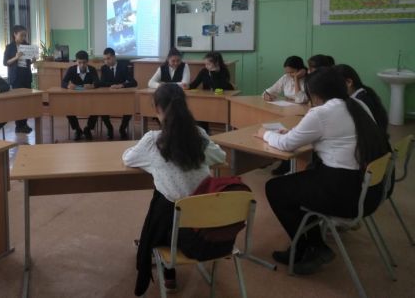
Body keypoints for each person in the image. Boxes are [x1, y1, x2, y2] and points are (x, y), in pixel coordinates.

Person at [258, 68, 389, 275]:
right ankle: (307, 246)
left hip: (345, 194)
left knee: (276, 189)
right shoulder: (358, 104)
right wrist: (296, 133)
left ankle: (310, 247)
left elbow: (285, 144)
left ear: (315, 94)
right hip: (370, 189)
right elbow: (333, 135)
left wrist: (265, 134)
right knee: (298, 186)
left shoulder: (321, 113)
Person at [122, 83, 226, 295]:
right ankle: (167, 267)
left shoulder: (153, 141)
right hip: (205, 225)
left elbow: (128, 158)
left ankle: (167, 268)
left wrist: (153, 166)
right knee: (172, 196)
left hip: (171, 224)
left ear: (157, 108)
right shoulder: (199, 136)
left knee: (162, 197)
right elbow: (221, 157)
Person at [334, 64, 389, 136]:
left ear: (349, 82)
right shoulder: (365, 92)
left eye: (335, 86)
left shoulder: (360, 100)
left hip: (372, 138)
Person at [99, 47, 137, 140]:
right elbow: (102, 83)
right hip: (108, 97)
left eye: (108, 58)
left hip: (122, 97)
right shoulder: (104, 68)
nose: (106, 61)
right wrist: (113, 85)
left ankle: (122, 129)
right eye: (104, 59)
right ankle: (109, 129)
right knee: (100, 108)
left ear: (114, 57)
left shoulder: (124, 67)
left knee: (129, 108)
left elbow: (134, 83)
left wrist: (121, 85)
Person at [61, 50, 100, 141]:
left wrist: (93, 86)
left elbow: (98, 82)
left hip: (90, 99)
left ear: (87, 62)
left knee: (97, 109)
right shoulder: (71, 69)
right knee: (67, 110)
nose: (82, 65)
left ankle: (88, 129)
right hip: (74, 99)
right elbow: (63, 82)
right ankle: (77, 129)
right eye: (79, 62)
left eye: (84, 62)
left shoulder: (92, 69)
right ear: (76, 62)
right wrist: (68, 86)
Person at [3, 25, 34, 134]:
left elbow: (29, 62)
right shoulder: (10, 47)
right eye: (21, 35)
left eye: (25, 35)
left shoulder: (27, 46)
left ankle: (24, 124)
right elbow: (5, 62)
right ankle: (19, 126)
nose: (23, 37)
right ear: (15, 34)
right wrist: (16, 57)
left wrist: (33, 59)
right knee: (18, 102)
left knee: (26, 102)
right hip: (16, 77)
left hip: (26, 76)